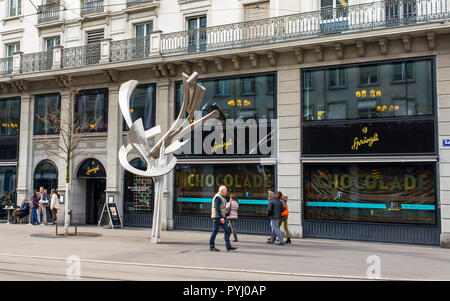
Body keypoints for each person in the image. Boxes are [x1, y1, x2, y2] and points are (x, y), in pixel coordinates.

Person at [209, 186, 237, 252]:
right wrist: (221, 217)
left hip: (222, 217)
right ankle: (211, 246)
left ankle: (228, 246)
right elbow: (217, 208)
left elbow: (223, 208)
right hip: (218, 218)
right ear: (222, 191)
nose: (226, 191)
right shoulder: (218, 197)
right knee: (215, 232)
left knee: (227, 230)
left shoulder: (222, 197)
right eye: (226, 190)